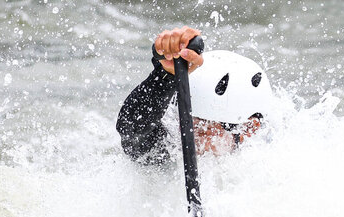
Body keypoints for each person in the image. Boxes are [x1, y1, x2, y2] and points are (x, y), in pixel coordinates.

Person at [116, 26, 274, 164]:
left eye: (203, 129)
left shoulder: (270, 171)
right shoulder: (170, 152)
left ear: (248, 129)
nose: (190, 139)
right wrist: (165, 77)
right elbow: (130, 130)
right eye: (186, 123)